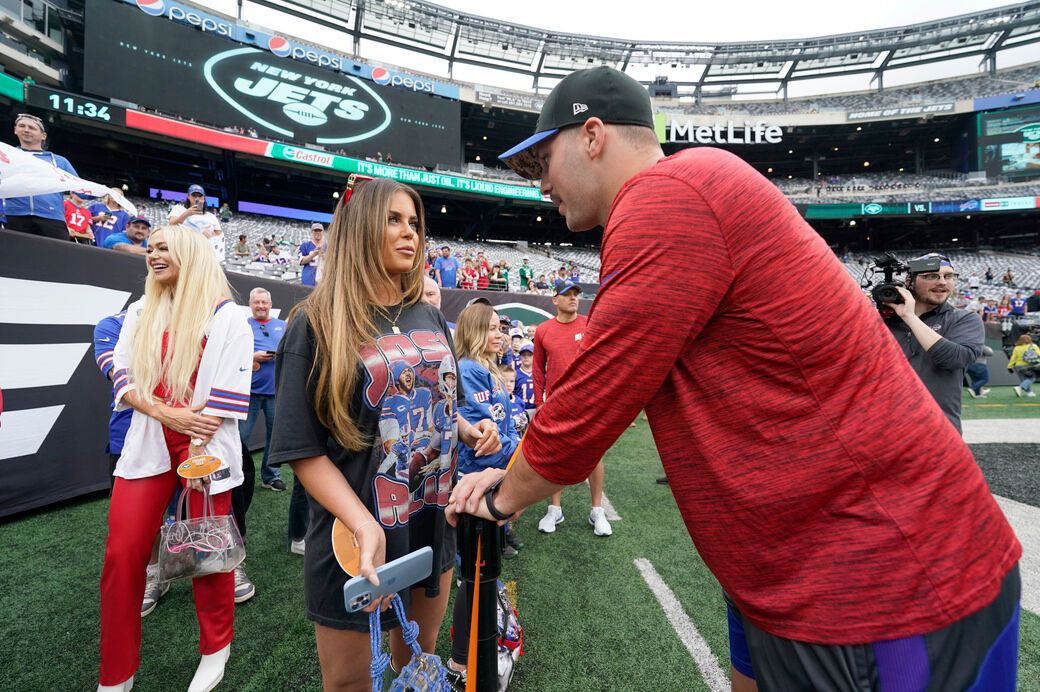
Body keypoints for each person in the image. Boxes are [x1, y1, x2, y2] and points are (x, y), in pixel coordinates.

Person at [449, 65, 1021, 691]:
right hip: (799, 569)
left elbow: (589, 405)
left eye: (543, 163)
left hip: (877, 575)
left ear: (592, 136)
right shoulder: (688, 188)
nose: (542, 188)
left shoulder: (667, 194)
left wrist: (500, 499)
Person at [265, 179, 499, 691]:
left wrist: (464, 425)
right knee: (351, 684)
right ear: (359, 227)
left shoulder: (431, 313)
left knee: (417, 662)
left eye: (414, 222)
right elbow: (301, 449)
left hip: (432, 519)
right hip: (359, 533)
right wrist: (362, 524)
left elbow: (431, 399)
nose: (409, 233)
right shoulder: (315, 321)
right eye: (394, 219)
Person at [98, 224, 252, 692]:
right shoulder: (142, 309)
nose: (153, 254)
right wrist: (167, 413)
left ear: (190, 252)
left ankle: (215, 652)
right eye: (149, 248)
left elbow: (223, 400)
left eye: (163, 247)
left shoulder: (228, 315)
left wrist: (193, 433)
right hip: (149, 438)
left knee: (210, 550)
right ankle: (115, 675)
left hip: (203, 443)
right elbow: (120, 369)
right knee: (123, 553)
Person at [448, 303, 522, 676]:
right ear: (473, 330)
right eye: (491, 328)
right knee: (473, 576)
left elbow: (502, 433)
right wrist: (525, 449)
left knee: (481, 572)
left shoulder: (487, 369)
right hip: (476, 483)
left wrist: (514, 444)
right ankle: (462, 660)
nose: (500, 334)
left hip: (492, 480)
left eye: (500, 328)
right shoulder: (469, 370)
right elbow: (484, 441)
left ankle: (477, 650)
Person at [533, 279, 611, 537]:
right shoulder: (544, 330)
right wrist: (539, 403)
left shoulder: (591, 323)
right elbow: (537, 370)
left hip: (589, 402)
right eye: (567, 294)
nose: (573, 298)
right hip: (556, 403)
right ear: (555, 300)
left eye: (575, 294)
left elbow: (603, 360)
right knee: (556, 455)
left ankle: (597, 510)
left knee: (595, 454)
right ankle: (555, 509)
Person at [883, 253, 984, 433]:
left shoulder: (964, 319)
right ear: (910, 282)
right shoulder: (880, 321)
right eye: (931, 276)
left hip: (938, 432)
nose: (942, 282)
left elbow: (955, 359)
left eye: (948, 276)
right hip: (884, 431)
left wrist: (909, 317)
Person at [4, 113, 80, 240]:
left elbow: (79, 188)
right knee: (13, 258)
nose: (26, 130)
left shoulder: (59, 161)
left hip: (52, 218)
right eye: (22, 126)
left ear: (43, 135)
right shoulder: (6, 156)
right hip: (14, 215)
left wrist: (100, 190)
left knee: (55, 258)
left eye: (32, 128)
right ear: (15, 130)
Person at [297, 222, 325, 287]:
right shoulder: (305, 245)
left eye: (320, 230)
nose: (318, 232)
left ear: (323, 232)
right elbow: (301, 261)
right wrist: (314, 254)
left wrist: (324, 255)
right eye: (315, 230)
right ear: (312, 232)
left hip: (323, 276)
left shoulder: (329, 246)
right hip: (308, 277)